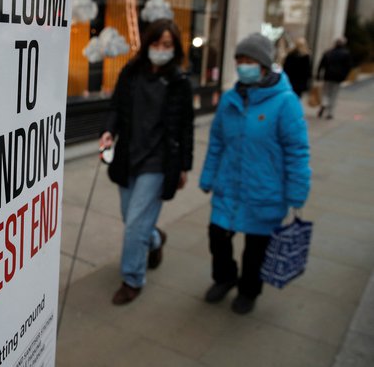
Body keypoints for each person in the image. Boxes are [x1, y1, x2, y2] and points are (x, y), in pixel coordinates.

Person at [199, 33, 311, 315]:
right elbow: (216, 143)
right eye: (239, 61)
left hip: (265, 192)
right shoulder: (229, 100)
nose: (242, 67)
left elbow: (297, 151)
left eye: (249, 61)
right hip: (228, 187)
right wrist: (208, 176)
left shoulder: (286, 103)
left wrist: (297, 191)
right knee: (217, 237)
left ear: (263, 65)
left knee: (256, 249)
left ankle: (249, 290)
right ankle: (225, 278)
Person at [99, 18, 194, 305]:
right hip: (128, 157)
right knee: (133, 220)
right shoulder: (131, 73)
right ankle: (155, 239)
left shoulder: (179, 82)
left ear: (174, 47)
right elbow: (116, 107)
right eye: (156, 43)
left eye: (167, 44)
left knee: (135, 225)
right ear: (147, 43)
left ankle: (132, 278)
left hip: (159, 162)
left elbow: (185, 127)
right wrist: (108, 132)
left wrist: (184, 166)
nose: (160, 49)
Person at [316, 37, 353, 119]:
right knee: (334, 94)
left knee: (326, 92)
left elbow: (321, 64)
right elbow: (348, 66)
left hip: (328, 76)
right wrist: (344, 75)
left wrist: (318, 74)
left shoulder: (329, 52)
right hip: (338, 77)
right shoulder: (346, 54)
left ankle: (324, 103)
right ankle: (330, 112)